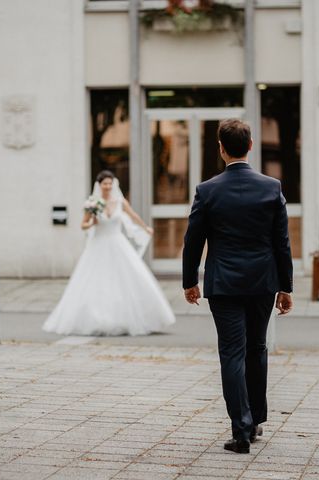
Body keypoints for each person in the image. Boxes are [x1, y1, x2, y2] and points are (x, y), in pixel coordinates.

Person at [182, 119, 293, 454]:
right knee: (256, 349)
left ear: (220, 147)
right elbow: (282, 244)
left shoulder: (208, 190)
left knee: (232, 352)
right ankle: (256, 419)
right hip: (262, 283)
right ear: (251, 145)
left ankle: (241, 430)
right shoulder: (271, 188)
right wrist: (285, 287)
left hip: (224, 284)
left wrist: (190, 281)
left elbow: (192, 241)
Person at [43, 170, 176, 336]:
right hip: (98, 245)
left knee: (128, 277)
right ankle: (97, 319)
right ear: (99, 185)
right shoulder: (92, 203)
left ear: (113, 184)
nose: (107, 186)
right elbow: (83, 225)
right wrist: (92, 221)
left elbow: (133, 215)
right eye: (104, 183)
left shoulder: (120, 201)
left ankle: (134, 318)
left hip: (117, 243)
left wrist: (145, 227)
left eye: (109, 183)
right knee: (96, 281)